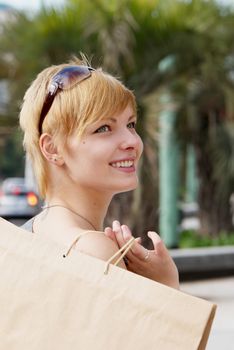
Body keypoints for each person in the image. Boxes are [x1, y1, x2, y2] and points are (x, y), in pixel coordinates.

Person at [20, 57, 179, 289]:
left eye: (131, 124)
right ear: (52, 148)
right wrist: (167, 284)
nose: (131, 141)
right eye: (103, 128)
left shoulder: (33, 233)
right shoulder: (93, 250)